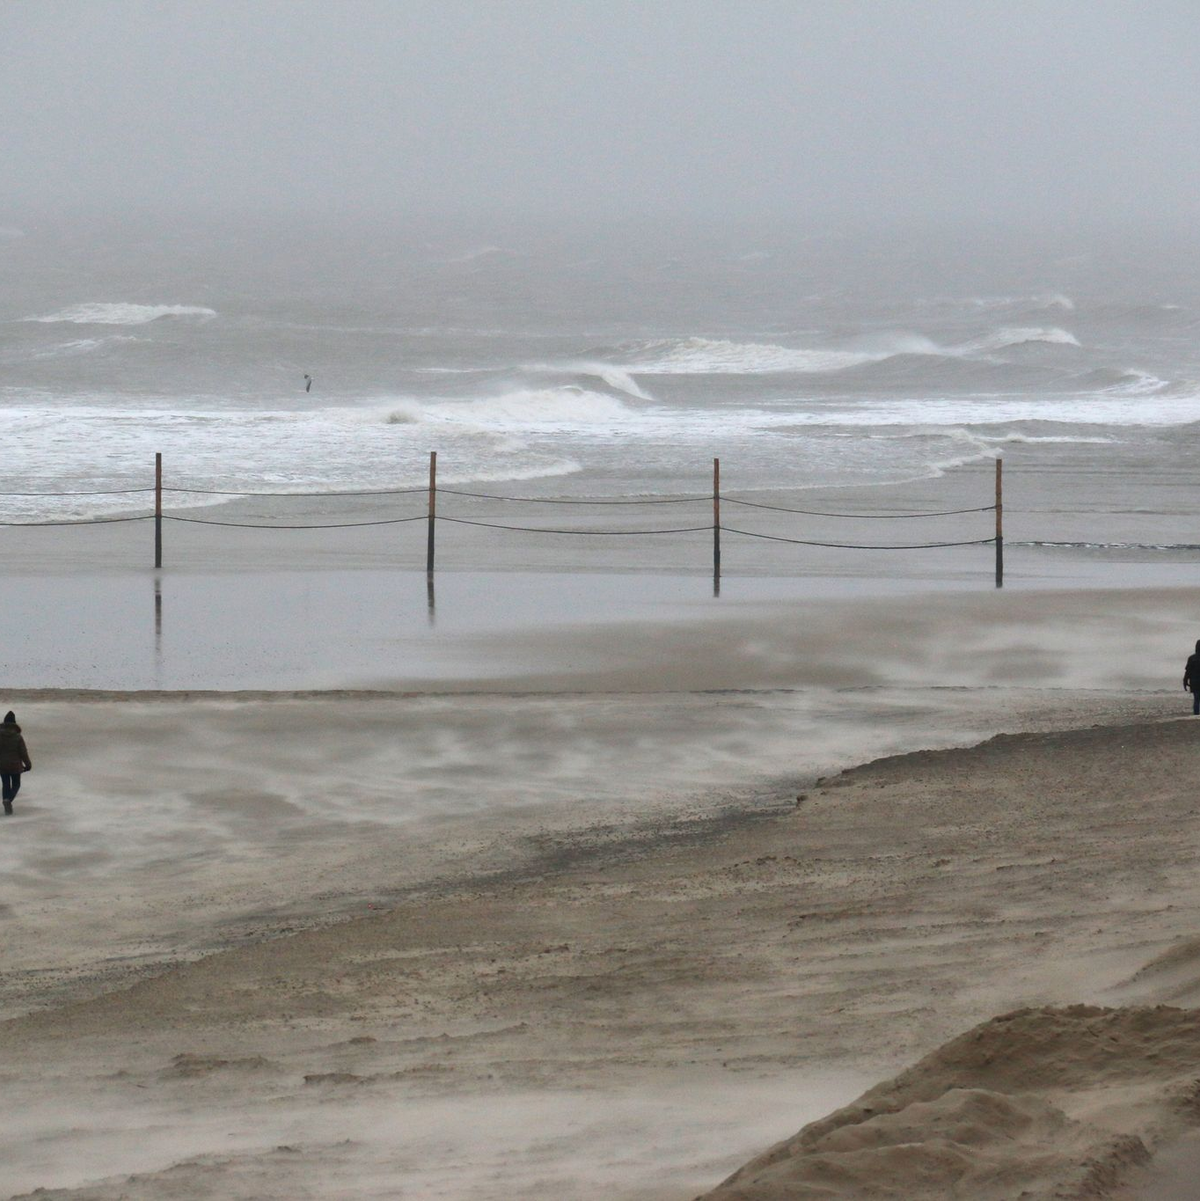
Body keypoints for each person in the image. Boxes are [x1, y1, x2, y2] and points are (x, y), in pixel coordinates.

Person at [0, 710, 31, 815]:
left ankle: (5, 800)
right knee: (16, 784)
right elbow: (23, 752)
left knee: (5, 784)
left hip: (2, 765)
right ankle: (8, 800)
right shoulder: (18, 737)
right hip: (15, 765)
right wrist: (28, 765)